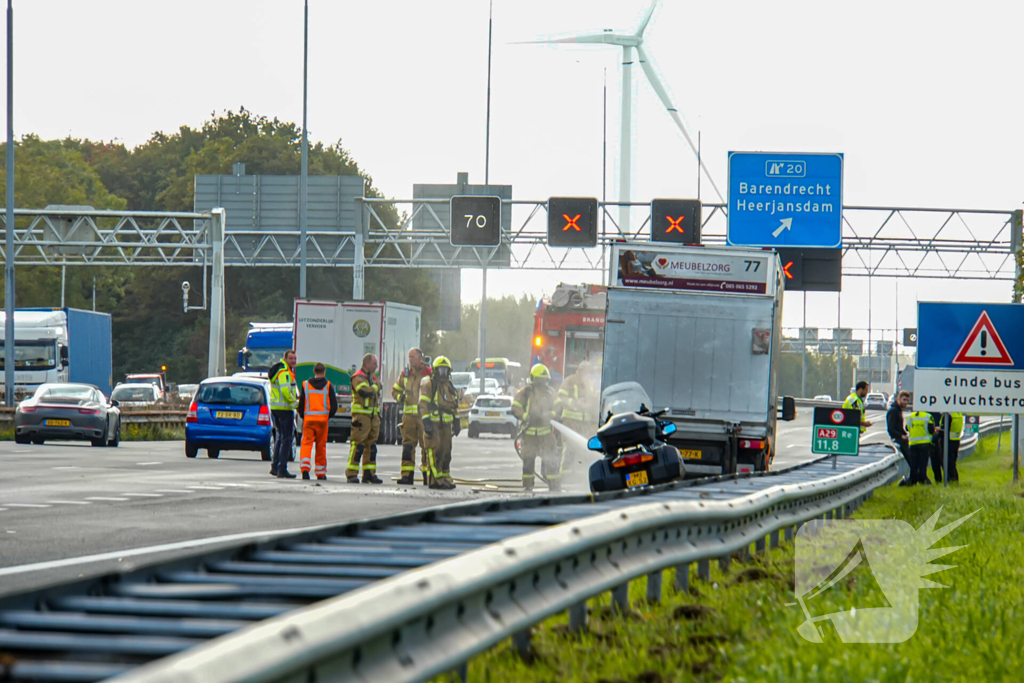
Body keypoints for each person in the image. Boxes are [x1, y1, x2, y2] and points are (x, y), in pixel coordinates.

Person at [512, 363, 563, 492]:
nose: (542, 384)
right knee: (528, 460)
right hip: (528, 434)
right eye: (540, 380)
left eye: (544, 380)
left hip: (546, 434)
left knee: (551, 460)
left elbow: (558, 406)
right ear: (534, 379)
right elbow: (515, 407)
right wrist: (526, 416)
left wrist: (549, 415)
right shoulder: (525, 392)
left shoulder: (551, 392)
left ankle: (554, 485)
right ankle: (528, 485)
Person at [419, 356, 461, 490]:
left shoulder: (449, 386)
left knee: (446, 452)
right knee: (434, 451)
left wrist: (457, 421)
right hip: (434, 424)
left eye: (445, 370)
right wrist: (426, 422)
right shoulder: (429, 385)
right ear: (435, 371)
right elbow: (423, 405)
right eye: (440, 370)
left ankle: (445, 478)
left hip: (446, 426)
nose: (443, 374)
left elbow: (453, 406)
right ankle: (436, 480)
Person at [392, 347, 431, 486]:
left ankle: (428, 475)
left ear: (420, 358)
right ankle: (406, 476)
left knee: (426, 447)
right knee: (408, 446)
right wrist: (400, 398)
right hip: (408, 417)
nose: (410, 360)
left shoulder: (429, 374)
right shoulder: (405, 374)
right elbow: (395, 390)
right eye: (409, 357)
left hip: (423, 417)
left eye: (412, 357)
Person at [297, 362, 338, 481]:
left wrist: (304, 416)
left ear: (314, 372)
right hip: (322, 421)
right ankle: (320, 473)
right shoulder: (328, 385)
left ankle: (305, 469)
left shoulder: (305, 385)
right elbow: (334, 406)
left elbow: (301, 404)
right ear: (324, 372)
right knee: (321, 446)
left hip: (309, 420)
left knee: (306, 444)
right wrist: (327, 416)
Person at [346, 354, 383, 484]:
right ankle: (351, 473)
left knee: (371, 446)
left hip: (372, 417)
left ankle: (369, 473)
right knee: (358, 445)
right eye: (374, 364)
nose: (376, 366)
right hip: (361, 417)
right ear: (367, 363)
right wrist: (376, 387)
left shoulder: (372, 378)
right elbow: (364, 391)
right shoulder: (358, 377)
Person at [557, 360, 598, 475]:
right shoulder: (570, 381)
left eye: (590, 372)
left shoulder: (589, 384)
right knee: (569, 448)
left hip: (585, 422)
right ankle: (565, 476)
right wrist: (574, 403)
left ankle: (580, 475)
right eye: (586, 372)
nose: (588, 375)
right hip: (571, 421)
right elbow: (560, 397)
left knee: (584, 448)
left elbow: (592, 400)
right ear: (580, 371)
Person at [268, 350, 299, 479]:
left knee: (280, 438)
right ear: (285, 359)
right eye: (291, 358)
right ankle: (282, 469)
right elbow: (286, 391)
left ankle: (275, 467)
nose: (293, 361)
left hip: (275, 408)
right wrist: (296, 403)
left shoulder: (280, 370)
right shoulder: (284, 372)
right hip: (284, 409)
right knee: (287, 439)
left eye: (295, 359)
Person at [886, 391, 912, 486]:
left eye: (907, 401)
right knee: (911, 462)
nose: (906, 402)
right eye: (904, 400)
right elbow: (891, 429)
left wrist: (905, 434)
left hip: (902, 440)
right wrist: (901, 436)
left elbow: (899, 428)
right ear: (898, 399)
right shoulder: (893, 411)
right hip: (898, 441)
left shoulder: (898, 410)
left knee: (912, 462)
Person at [905, 409, 935, 485]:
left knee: (914, 464)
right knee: (923, 464)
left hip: (913, 443)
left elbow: (907, 428)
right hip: (924, 443)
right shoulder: (928, 416)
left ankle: (913, 481)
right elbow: (931, 430)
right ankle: (922, 479)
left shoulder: (910, 416)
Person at [934, 412, 964, 483]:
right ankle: (954, 480)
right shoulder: (958, 414)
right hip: (956, 441)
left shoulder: (948, 415)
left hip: (947, 441)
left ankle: (951, 480)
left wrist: (937, 432)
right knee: (952, 463)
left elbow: (944, 431)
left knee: (948, 463)